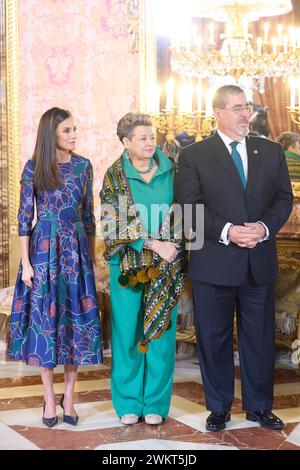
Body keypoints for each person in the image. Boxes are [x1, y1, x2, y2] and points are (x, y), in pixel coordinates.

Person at [175, 85, 293, 432]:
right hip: (213, 262)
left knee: (259, 340)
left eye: (248, 107)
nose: (246, 114)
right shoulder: (194, 155)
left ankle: (259, 408)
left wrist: (262, 227)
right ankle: (219, 408)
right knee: (214, 339)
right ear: (219, 113)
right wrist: (228, 231)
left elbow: (283, 199)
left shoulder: (270, 151)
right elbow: (188, 209)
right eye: (238, 108)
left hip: (259, 261)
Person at [6, 107, 102, 427]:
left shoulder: (83, 166)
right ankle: (49, 397)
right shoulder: (34, 167)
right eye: (67, 130)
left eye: (75, 129)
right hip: (43, 252)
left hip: (76, 253)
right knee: (45, 326)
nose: (74, 135)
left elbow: (88, 218)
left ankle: (70, 396)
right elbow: (23, 218)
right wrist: (28, 265)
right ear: (52, 134)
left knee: (75, 326)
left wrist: (90, 261)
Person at [100, 112, 185, 426]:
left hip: (166, 265)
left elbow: (188, 207)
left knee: (161, 332)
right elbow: (112, 223)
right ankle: (128, 403)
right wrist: (152, 244)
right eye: (143, 138)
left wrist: (172, 245)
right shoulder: (114, 175)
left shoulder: (173, 169)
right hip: (126, 266)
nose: (150, 143)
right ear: (126, 142)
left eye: (152, 137)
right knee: (127, 335)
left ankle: (156, 404)